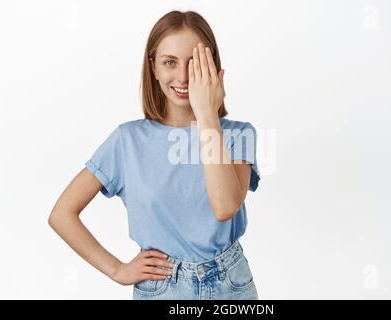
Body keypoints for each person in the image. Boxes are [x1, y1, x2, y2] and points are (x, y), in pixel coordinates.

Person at [48, 10, 261, 300]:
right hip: (162, 288)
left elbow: (224, 207)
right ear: (154, 68)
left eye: (196, 63)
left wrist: (207, 114)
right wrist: (117, 270)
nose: (184, 76)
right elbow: (62, 214)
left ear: (213, 67)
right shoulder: (127, 140)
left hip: (231, 285)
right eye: (170, 62)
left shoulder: (238, 135)